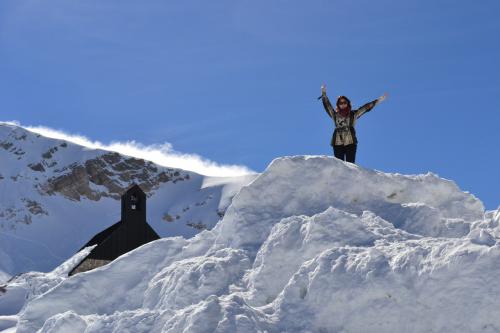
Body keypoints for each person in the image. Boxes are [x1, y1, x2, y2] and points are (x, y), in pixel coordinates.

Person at [319, 84, 387, 163]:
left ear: (347, 103)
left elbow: (365, 108)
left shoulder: (353, 114)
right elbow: (328, 106)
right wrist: (323, 93)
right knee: (339, 165)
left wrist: (378, 100)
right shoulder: (335, 115)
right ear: (338, 105)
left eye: (344, 102)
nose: (343, 104)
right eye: (340, 103)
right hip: (337, 142)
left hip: (350, 142)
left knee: (350, 165)